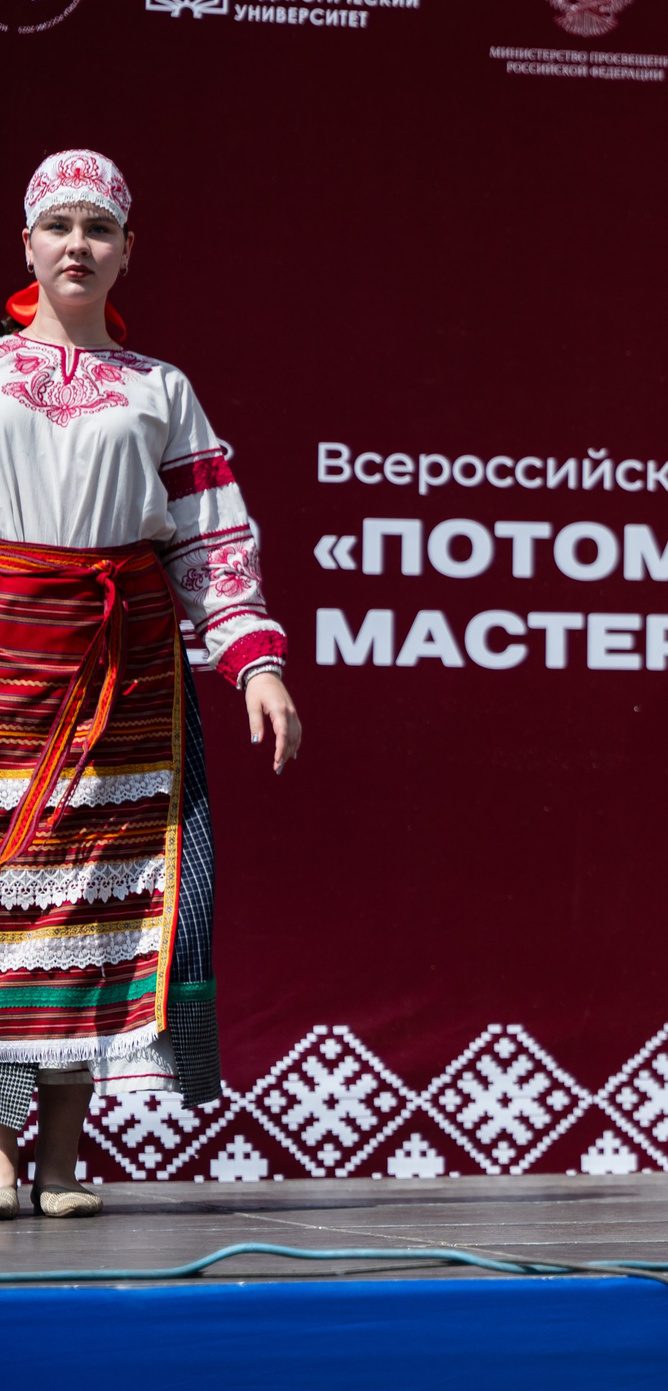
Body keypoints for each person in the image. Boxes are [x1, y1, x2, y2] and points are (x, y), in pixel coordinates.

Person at [0, 150, 301, 1219]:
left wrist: (254, 659)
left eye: (100, 227)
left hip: (127, 673)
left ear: (127, 251)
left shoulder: (159, 389)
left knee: (101, 904)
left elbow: (213, 540)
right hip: (6, 661)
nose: (78, 243)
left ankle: (64, 1158)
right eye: (60, 225)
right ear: (28, 244)